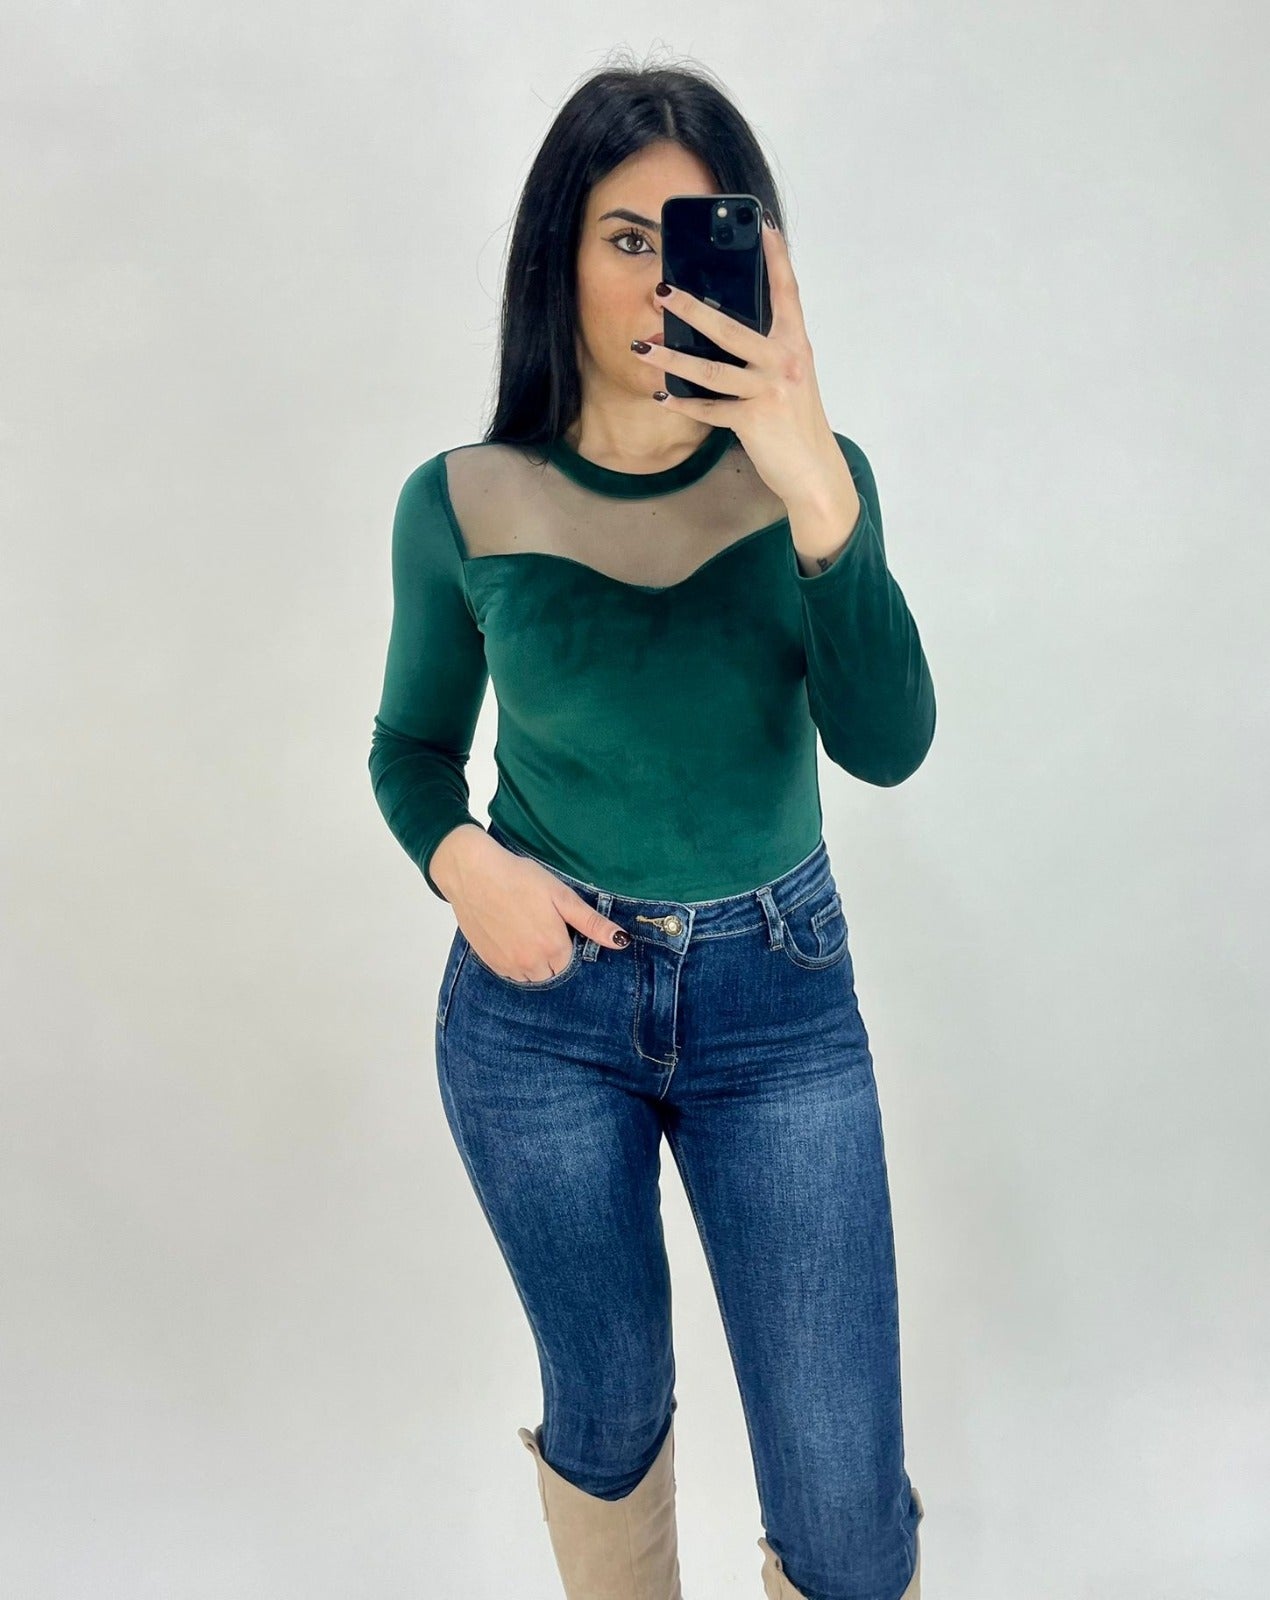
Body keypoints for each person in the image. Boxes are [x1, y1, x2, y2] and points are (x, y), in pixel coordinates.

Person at [369, 58, 934, 1600]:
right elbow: (410, 750)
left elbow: (887, 748)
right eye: (629, 237)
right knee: (607, 1414)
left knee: (844, 1518)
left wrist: (813, 488)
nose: (664, 278)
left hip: (778, 1006)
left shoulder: (814, 486)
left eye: (699, 238)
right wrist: (465, 865)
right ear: (557, 253)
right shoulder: (461, 500)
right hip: (539, 1014)